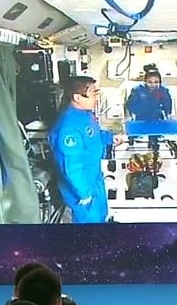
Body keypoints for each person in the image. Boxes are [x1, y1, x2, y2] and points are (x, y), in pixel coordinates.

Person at [49, 76, 124, 223]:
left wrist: (110, 138)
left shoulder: (85, 115)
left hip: (94, 176)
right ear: (77, 97)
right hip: (81, 184)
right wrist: (84, 193)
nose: (97, 97)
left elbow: (94, 134)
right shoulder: (68, 127)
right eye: (94, 93)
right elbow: (71, 167)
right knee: (90, 220)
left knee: (102, 213)